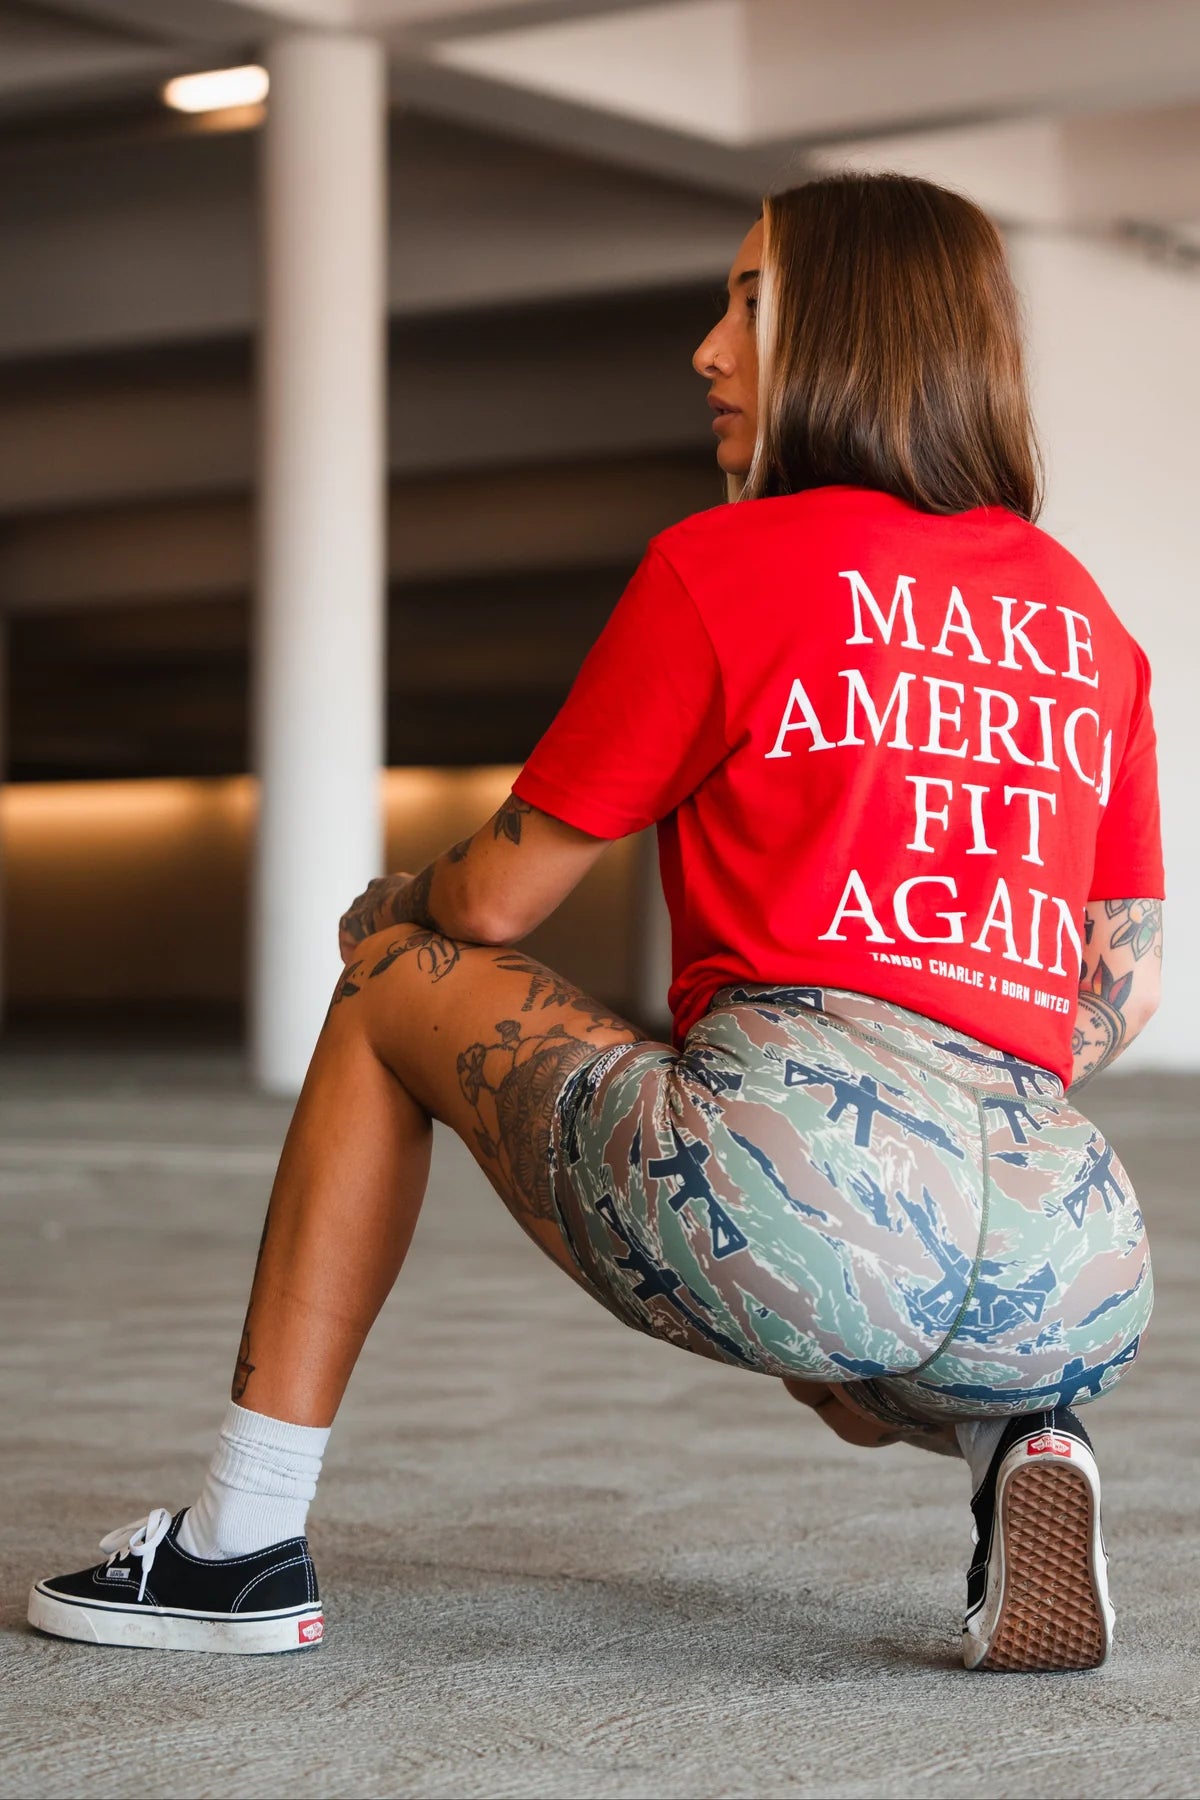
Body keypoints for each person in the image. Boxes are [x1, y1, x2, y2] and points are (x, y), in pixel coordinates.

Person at [29, 173, 1165, 1673]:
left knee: (398, 985)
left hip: (810, 1174)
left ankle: (237, 1545)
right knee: (853, 1286)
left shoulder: (727, 563)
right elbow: (1123, 980)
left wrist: (398, 906)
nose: (708, 349)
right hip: (1071, 1246)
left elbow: (498, 899)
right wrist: (943, 1107)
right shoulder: (1087, 620)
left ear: (854, 330)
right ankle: (1015, 1440)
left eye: (751, 303)